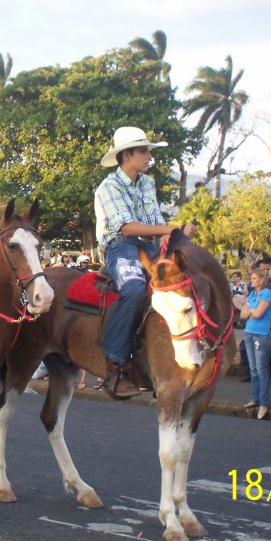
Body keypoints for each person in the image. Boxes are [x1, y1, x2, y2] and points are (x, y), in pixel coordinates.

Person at [93, 126, 178, 400]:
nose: (148, 156)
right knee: (133, 289)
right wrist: (169, 230)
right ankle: (115, 366)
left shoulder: (148, 183)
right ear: (126, 155)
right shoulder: (109, 186)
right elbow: (127, 227)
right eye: (143, 151)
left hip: (148, 246)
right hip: (120, 246)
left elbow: (155, 221)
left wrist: (173, 234)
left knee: (180, 285)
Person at [240, 269, 271, 420]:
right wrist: (251, 311)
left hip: (261, 334)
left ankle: (264, 403)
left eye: (254, 278)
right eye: (251, 278)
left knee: (261, 369)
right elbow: (242, 315)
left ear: (261, 280)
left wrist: (251, 311)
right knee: (253, 369)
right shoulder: (252, 295)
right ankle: (254, 398)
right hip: (249, 332)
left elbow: (259, 313)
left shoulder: (267, 294)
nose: (252, 280)